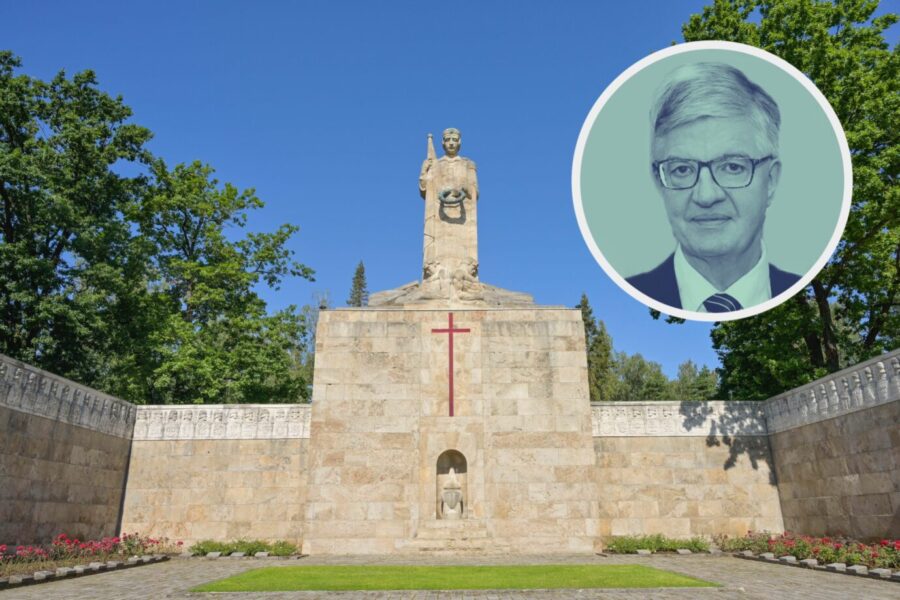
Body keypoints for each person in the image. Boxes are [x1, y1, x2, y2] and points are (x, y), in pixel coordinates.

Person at [626, 62, 800, 313]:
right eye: (682, 169)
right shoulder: (640, 289)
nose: (706, 196)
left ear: (771, 180)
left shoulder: (795, 289)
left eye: (732, 167)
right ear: (658, 181)